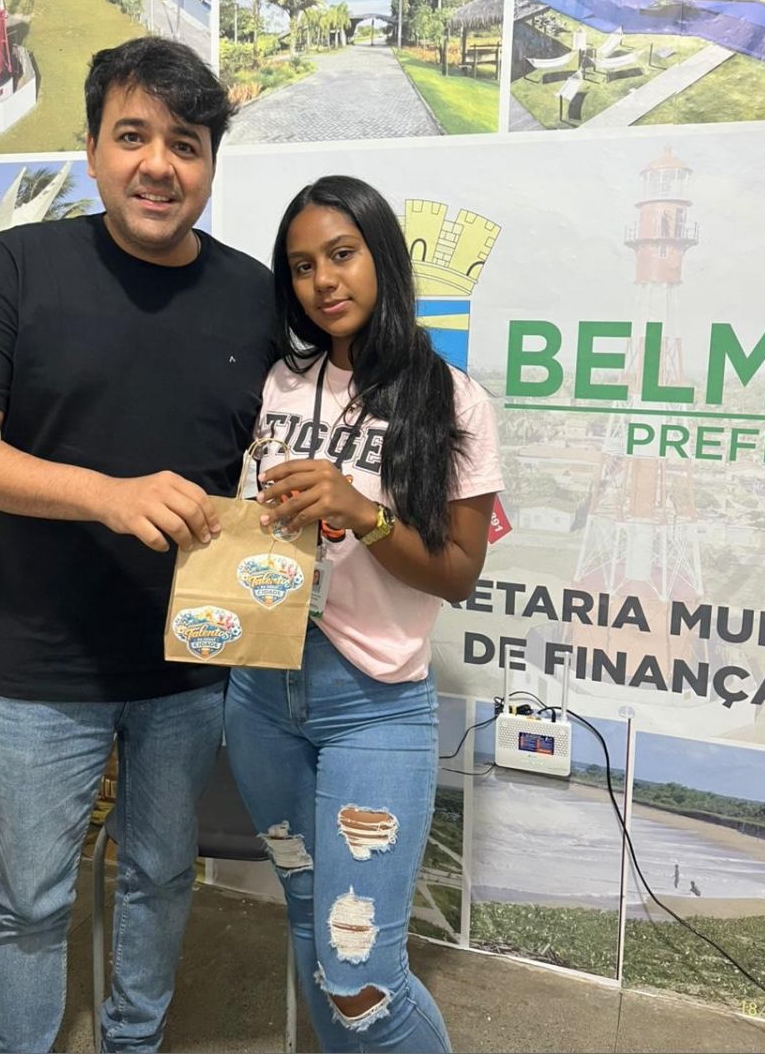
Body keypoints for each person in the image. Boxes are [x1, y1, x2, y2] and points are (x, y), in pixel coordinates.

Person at [0, 37, 277, 1053]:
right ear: (91, 150)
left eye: (186, 143)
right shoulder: (20, 267)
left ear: (209, 163)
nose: (158, 165)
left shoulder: (256, 295)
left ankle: (134, 1040)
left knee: (162, 879)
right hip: (43, 664)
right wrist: (104, 496)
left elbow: (291, 439)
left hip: (191, 664)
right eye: (132, 137)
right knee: (31, 899)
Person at [224, 175, 503, 1052]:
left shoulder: (450, 398)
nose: (324, 281)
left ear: (382, 256)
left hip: (373, 705)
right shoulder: (278, 382)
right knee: (313, 929)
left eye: (341, 255)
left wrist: (362, 510)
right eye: (303, 265)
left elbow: (458, 574)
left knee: (358, 978)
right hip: (261, 697)